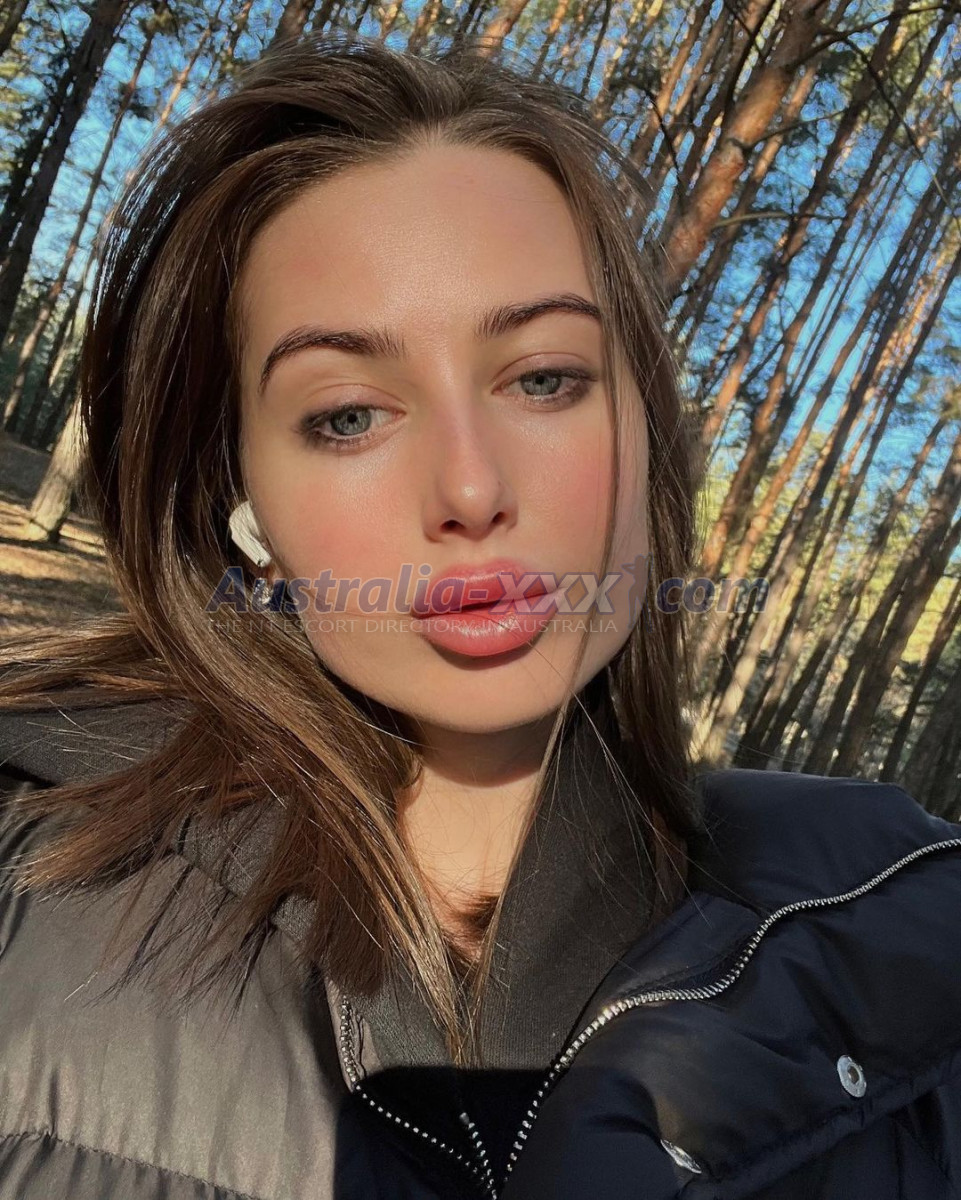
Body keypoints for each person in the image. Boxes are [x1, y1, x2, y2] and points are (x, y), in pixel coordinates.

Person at [1, 28, 960, 1200]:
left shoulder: (899, 937)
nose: (469, 487)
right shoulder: (26, 890)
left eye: (544, 379)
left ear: (644, 431)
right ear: (242, 502)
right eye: (347, 415)